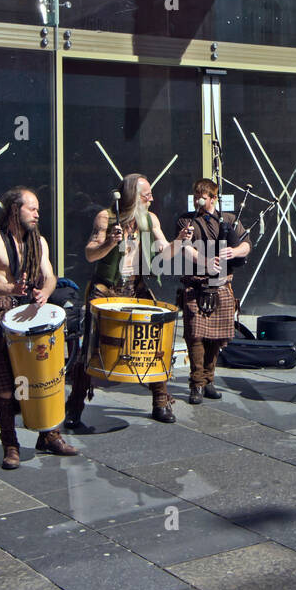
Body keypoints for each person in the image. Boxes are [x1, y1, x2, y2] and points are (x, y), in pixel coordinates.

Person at [65, 173, 190, 428]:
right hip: (106, 289)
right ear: (133, 197)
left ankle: (160, 401)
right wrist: (110, 242)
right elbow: (90, 254)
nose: (152, 199)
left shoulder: (149, 219)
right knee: (91, 347)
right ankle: (74, 408)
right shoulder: (106, 218)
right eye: (147, 195)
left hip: (135, 287)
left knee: (155, 340)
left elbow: (164, 252)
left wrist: (179, 242)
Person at [0, 187, 79, 470]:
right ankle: (11, 445)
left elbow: (51, 275)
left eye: (37, 209)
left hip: (32, 314)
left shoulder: (38, 241)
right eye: (32, 208)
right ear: (14, 209)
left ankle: (49, 436)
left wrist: (44, 291)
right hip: (0, 315)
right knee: (7, 390)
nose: (37, 214)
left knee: (43, 380)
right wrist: (9, 287)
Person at [175, 179, 251, 404]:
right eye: (196, 194)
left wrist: (234, 251)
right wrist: (205, 261)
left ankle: (209, 380)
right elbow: (184, 248)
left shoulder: (229, 220)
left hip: (222, 284)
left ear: (213, 198)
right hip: (196, 284)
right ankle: (196, 383)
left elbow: (247, 245)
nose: (198, 198)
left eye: (203, 195)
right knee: (195, 336)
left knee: (216, 337)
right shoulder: (186, 220)